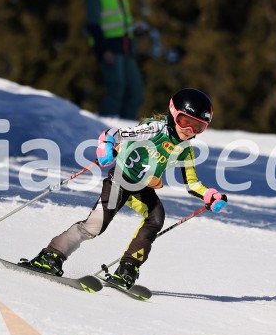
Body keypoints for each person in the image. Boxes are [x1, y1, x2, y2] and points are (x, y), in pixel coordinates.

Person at [27, 88, 228, 289]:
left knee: (156, 219)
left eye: (198, 127)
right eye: (185, 121)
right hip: (120, 180)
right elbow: (114, 133)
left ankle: (127, 269)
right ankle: (51, 256)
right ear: (173, 113)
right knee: (94, 226)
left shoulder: (185, 150)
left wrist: (210, 196)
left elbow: (192, 184)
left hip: (141, 188)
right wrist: (106, 145)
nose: (189, 130)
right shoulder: (155, 129)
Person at [85, 0, 144, 119]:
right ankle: (104, 126)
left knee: (136, 93)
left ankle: (126, 128)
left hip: (126, 48)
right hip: (109, 48)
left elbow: (120, 24)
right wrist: (104, 50)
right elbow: (93, 24)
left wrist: (135, 29)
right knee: (116, 89)